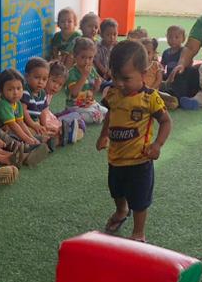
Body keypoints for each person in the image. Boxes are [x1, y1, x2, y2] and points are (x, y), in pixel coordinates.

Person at [98, 40, 171, 242]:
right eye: (115, 77)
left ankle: (138, 232)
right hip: (115, 159)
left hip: (140, 161)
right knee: (116, 191)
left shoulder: (150, 98)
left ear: (144, 73)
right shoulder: (113, 94)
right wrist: (103, 135)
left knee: (139, 200)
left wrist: (157, 145)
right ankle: (121, 211)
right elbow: (110, 114)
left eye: (126, 78)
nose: (120, 83)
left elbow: (166, 121)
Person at [0, 68, 44, 150]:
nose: (15, 93)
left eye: (19, 88)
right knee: (1, 132)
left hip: (5, 128)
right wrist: (27, 140)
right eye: (10, 89)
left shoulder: (17, 103)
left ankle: (31, 141)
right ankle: (19, 147)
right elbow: (13, 125)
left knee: (19, 131)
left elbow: (20, 123)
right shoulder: (3, 104)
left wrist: (31, 137)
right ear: (2, 90)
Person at [62, 37, 107, 125]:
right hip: (75, 106)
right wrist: (84, 76)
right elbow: (74, 93)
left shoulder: (91, 70)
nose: (87, 61)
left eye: (90, 58)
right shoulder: (72, 73)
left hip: (90, 104)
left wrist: (97, 85)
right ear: (75, 56)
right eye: (83, 57)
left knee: (106, 112)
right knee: (91, 116)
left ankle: (95, 114)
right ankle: (70, 116)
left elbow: (93, 92)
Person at [93, 18, 118, 82]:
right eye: (108, 35)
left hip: (113, 72)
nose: (112, 37)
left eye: (114, 34)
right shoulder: (97, 47)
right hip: (101, 74)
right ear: (101, 35)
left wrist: (112, 72)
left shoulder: (117, 47)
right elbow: (97, 62)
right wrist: (105, 72)